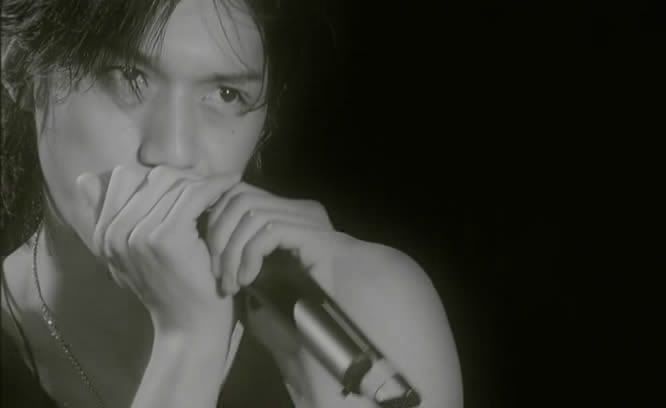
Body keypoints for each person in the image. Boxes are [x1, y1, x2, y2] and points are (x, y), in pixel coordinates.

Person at [0, 0, 463, 407]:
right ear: (22, 71)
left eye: (225, 95)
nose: (175, 152)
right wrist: (188, 343)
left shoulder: (364, 308)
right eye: (129, 76)